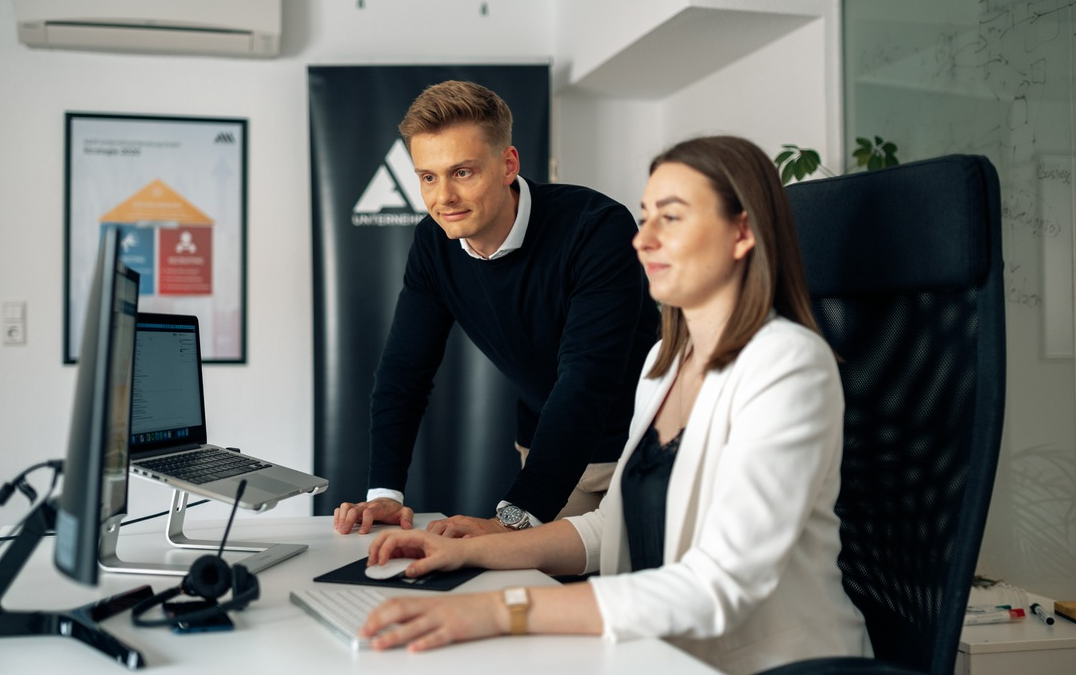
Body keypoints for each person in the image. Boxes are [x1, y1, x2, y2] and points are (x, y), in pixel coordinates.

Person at [356, 136, 873, 674]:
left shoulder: (788, 363)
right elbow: (611, 529)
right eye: (645, 219)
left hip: (780, 664)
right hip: (668, 656)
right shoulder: (662, 367)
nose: (643, 240)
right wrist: (471, 551)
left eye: (670, 218)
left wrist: (500, 609)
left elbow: (720, 584)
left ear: (742, 233)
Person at [334, 81, 659, 537]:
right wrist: (385, 493)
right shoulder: (433, 243)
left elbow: (585, 380)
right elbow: (404, 374)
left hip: (642, 447)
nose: (443, 197)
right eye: (428, 177)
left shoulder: (595, 228)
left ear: (508, 165)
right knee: (532, 577)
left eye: (462, 172)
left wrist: (514, 518)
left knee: (644, 576)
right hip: (547, 450)